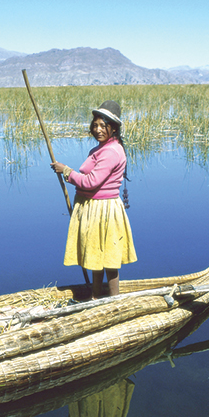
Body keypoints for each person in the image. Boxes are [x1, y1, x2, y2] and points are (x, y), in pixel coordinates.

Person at [51, 100, 137, 298]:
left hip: (103, 210)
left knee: (109, 260)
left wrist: (66, 171)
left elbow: (91, 182)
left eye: (103, 126)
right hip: (93, 208)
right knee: (96, 257)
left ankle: (114, 301)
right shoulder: (100, 149)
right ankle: (96, 297)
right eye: (95, 125)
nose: (98, 129)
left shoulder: (111, 151)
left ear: (113, 128)